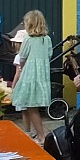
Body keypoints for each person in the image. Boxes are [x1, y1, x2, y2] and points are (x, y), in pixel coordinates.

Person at [11, 10, 52, 144]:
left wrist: (22, 65)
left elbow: (22, 57)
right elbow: (49, 54)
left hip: (30, 75)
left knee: (30, 105)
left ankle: (41, 136)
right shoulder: (47, 39)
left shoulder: (28, 39)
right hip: (42, 76)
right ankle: (37, 134)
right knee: (32, 106)